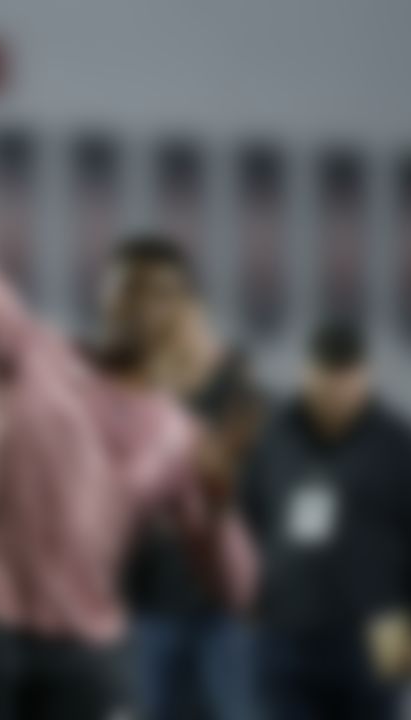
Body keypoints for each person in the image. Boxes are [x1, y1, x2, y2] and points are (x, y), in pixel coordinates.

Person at [0, 41, 258, 720]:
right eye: (126, 289)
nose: (140, 305)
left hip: (85, 656)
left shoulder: (183, 438)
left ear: (182, 316)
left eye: (160, 294)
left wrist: (216, 506)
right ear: (104, 299)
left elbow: (235, 589)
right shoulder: (31, 353)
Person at [242, 322, 411, 720]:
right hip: (286, 628)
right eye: (325, 377)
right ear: (306, 374)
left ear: (365, 377)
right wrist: (244, 593)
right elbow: (248, 519)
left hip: (376, 633)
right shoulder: (272, 437)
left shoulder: (402, 444)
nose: (335, 391)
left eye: (347, 379)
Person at [117, 238, 264, 720]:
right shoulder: (131, 399)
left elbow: (261, 501)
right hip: (148, 606)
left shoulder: (242, 397)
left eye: (182, 313)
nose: (173, 326)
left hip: (222, 614)